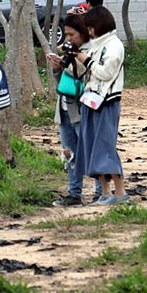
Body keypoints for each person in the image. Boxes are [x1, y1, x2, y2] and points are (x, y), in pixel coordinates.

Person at [74, 6, 127, 205]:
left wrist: (85, 60)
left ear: (97, 26)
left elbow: (106, 73)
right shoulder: (97, 45)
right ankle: (105, 193)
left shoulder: (114, 46)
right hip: (92, 100)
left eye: (90, 27)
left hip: (107, 102)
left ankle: (120, 193)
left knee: (105, 147)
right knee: (93, 147)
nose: (88, 32)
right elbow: (88, 73)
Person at [46, 14, 101, 206]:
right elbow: (63, 82)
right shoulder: (70, 52)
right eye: (66, 35)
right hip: (64, 108)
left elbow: (84, 75)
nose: (69, 39)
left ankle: (101, 192)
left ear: (83, 32)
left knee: (91, 150)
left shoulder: (90, 52)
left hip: (81, 109)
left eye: (72, 34)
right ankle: (74, 192)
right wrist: (56, 67)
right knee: (69, 152)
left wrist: (66, 61)